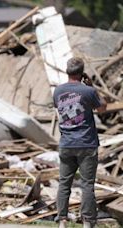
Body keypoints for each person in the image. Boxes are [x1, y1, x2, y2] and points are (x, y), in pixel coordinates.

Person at [53, 57, 106, 228]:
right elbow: (102, 108)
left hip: (66, 144)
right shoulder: (88, 91)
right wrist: (91, 86)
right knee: (87, 185)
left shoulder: (57, 91)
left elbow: (59, 109)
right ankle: (88, 223)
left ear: (67, 71)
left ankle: (61, 221)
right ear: (82, 73)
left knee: (64, 183)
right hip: (87, 143)